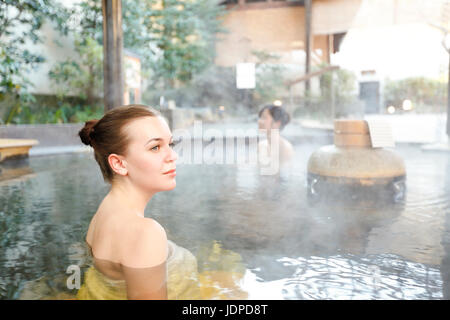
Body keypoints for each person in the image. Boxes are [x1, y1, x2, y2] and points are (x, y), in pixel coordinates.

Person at [77, 104, 178, 300]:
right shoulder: (146, 233)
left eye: (170, 145)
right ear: (119, 164)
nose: (173, 156)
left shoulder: (103, 214)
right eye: (155, 147)